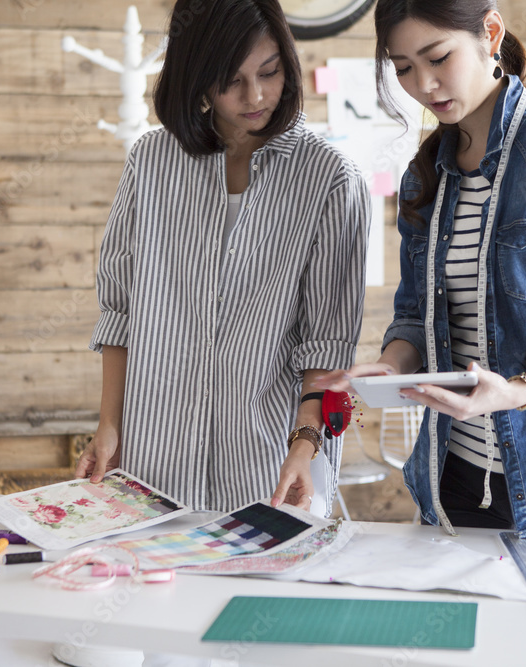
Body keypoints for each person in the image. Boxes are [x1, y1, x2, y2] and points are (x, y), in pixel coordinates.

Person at [319, 0, 526, 537]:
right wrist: (391, 365)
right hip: (452, 478)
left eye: (438, 58)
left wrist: (519, 389)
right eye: (404, 67)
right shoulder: (424, 175)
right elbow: (414, 313)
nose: (424, 85)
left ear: (490, 32)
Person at [74, 0, 370, 519]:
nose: (255, 96)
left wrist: (305, 445)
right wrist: (109, 426)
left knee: (265, 598)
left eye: (269, 72)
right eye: (230, 80)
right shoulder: (151, 163)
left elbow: (328, 343)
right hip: (154, 455)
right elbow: (120, 311)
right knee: (156, 591)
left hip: (275, 461)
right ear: (198, 79)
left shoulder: (330, 179)